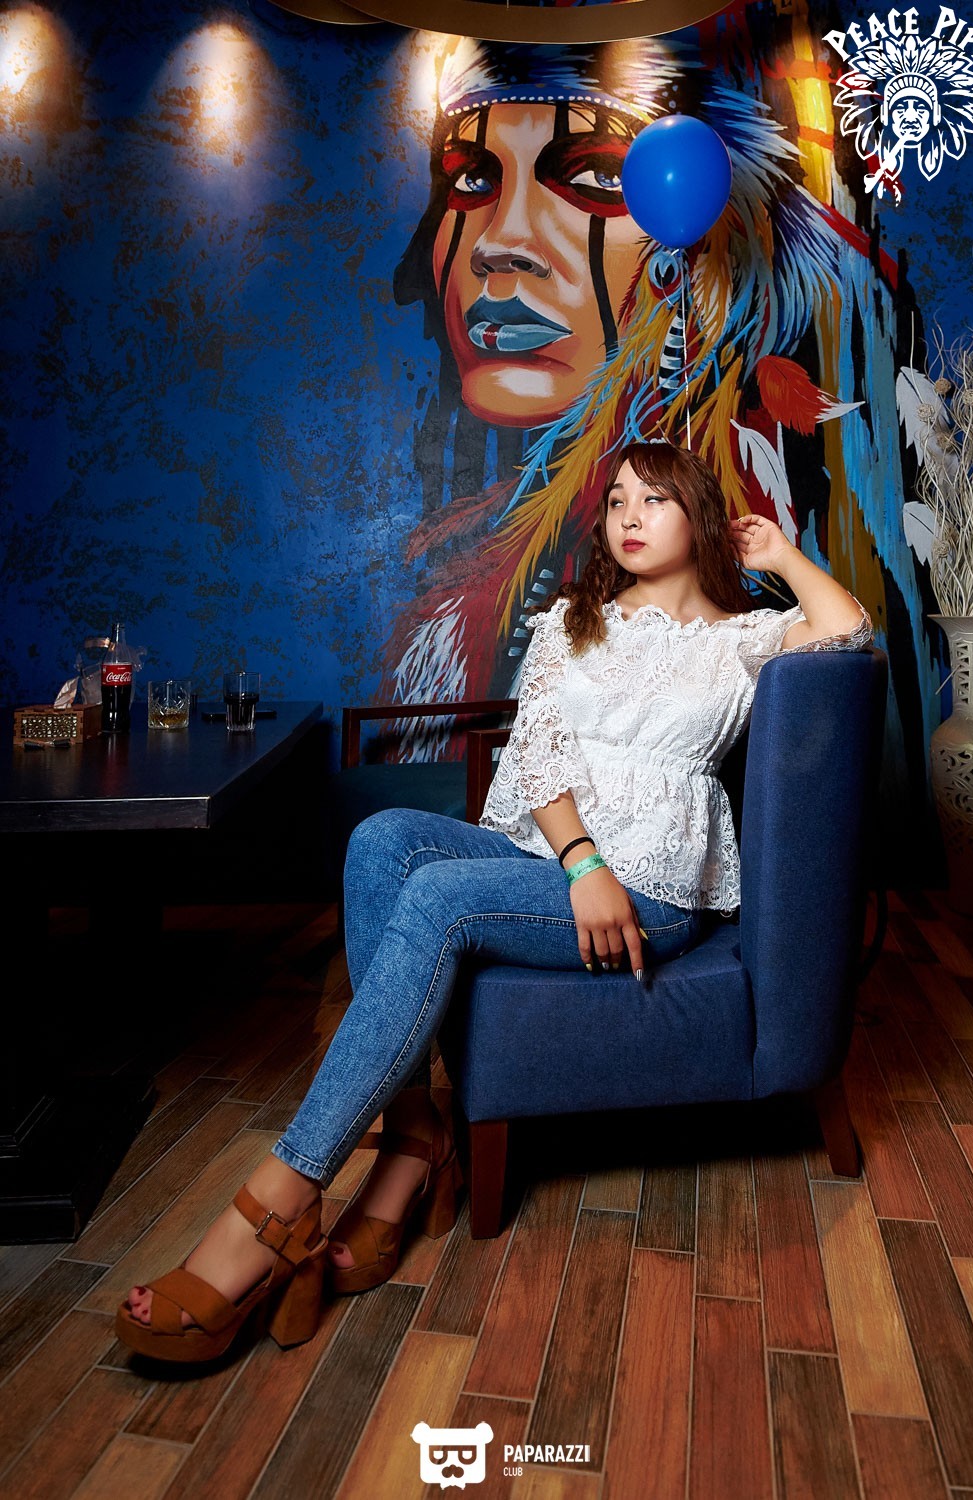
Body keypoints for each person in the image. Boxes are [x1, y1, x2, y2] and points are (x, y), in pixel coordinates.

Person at [117, 440, 871, 1363]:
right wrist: (583, 864)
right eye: (617, 501)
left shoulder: (741, 639)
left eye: (655, 499)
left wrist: (781, 554)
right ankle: (413, 1140)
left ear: (701, 516)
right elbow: (539, 752)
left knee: (440, 896)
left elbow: (848, 630)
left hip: (658, 888)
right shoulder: (571, 622)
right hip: (562, 861)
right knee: (381, 840)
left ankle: (283, 1193)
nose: (628, 517)